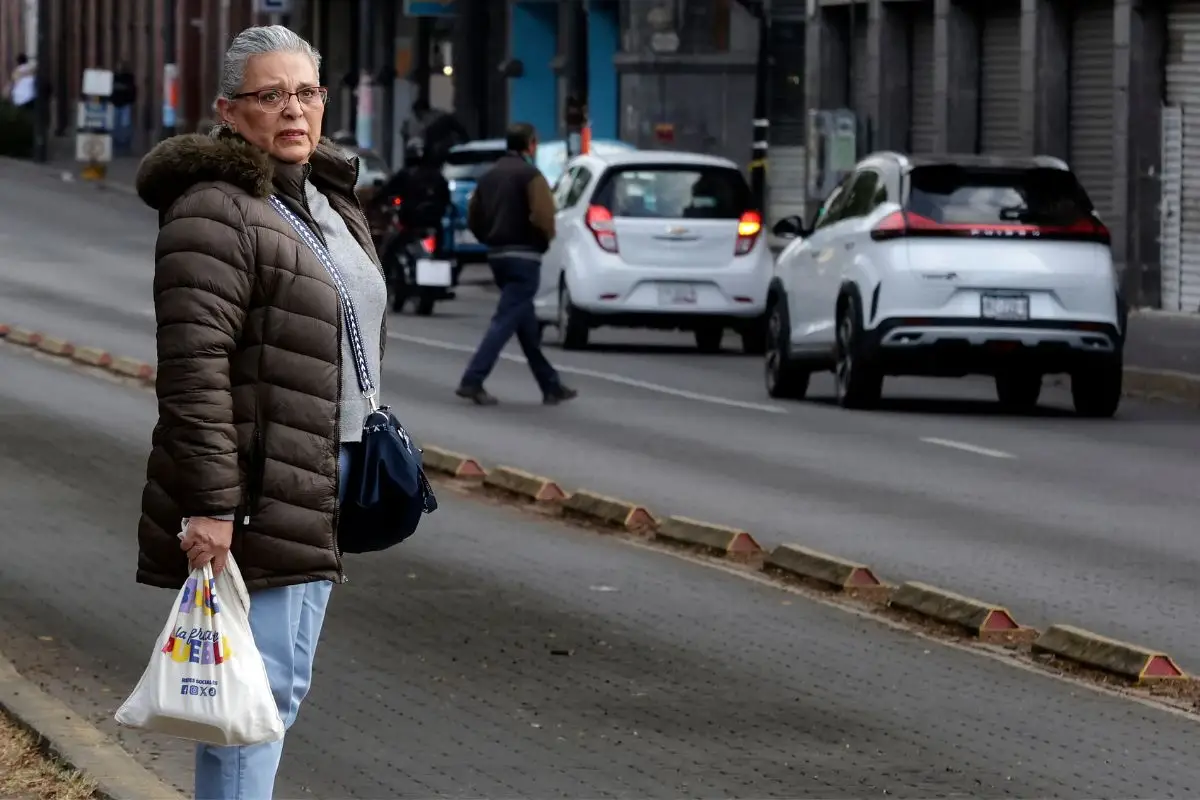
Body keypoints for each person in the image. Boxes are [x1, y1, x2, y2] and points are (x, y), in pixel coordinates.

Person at [133, 24, 387, 799]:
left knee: (279, 688)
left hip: (318, 474)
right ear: (228, 111)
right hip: (256, 484)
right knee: (256, 697)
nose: (293, 110)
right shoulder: (214, 210)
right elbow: (192, 371)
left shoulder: (322, 200)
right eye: (269, 95)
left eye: (306, 92)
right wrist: (212, 502)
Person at [456, 123, 577, 406]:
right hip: (525, 257)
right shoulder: (531, 176)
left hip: (498, 255)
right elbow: (544, 216)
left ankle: (551, 384)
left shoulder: (488, 178)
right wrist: (544, 242)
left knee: (525, 323)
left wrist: (489, 238)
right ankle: (472, 379)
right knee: (505, 319)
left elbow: (474, 217)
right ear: (530, 145)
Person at [378, 137, 450, 235]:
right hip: (432, 224)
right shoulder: (437, 175)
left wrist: (377, 199)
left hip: (411, 224)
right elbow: (446, 198)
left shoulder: (405, 174)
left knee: (389, 246)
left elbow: (386, 190)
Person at [110, 62, 137, 155]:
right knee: (116, 125)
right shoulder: (113, 77)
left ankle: (125, 145)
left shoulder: (129, 78)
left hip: (125, 105)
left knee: (126, 126)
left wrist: (131, 101)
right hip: (115, 104)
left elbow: (133, 90)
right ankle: (117, 145)